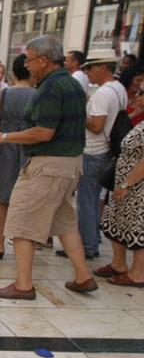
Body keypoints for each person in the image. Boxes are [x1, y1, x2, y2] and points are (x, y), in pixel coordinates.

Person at [0, 35, 96, 300]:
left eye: (30, 59)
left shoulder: (50, 88)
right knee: (65, 222)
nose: (28, 64)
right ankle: (83, 276)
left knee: (21, 220)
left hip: (48, 165)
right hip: (71, 163)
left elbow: (44, 132)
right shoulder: (73, 85)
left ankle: (23, 284)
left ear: (45, 61)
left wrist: (6, 137)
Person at [57, 56, 125, 260]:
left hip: (93, 151)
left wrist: (79, 114)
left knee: (86, 201)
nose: (88, 72)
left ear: (104, 67)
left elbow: (97, 126)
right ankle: (93, 241)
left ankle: (86, 245)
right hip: (104, 152)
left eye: (91, 68)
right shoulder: (118, 88)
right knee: (95, 199)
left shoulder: (103, 93)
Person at [0, 54, 36, 259]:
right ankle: (25, 243)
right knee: (27, 200)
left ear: (13, 73)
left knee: (4, 199)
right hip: (30, 148)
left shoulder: (3, 94)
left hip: (5, 149)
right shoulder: (38, 95)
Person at [97, 105, 144, 286]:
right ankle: (119, 264)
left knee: (137, 228)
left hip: (136, 187)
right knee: (118, 222)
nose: (138, 96)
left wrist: (127, 183)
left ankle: (138, 274)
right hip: (126, 184)